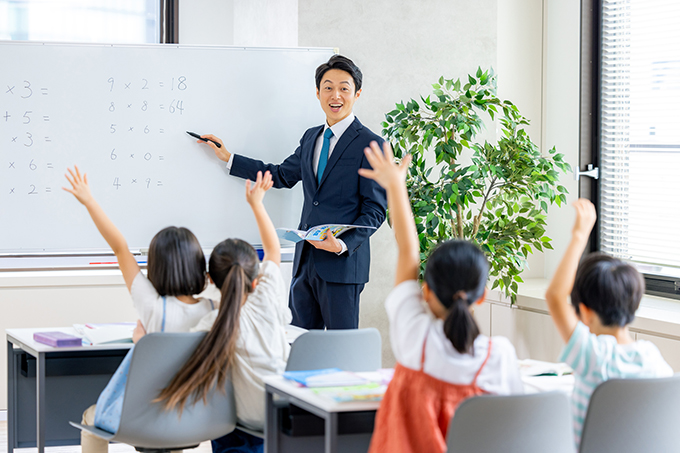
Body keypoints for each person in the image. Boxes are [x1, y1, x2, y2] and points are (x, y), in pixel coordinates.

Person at [196, 54, 387, 330]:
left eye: (344, 88)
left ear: (357, 93)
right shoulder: (311, 137)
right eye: (328, 87)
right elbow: (281, 175)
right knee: (297, 344)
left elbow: (375, 210)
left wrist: (342, 244)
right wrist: (228, 158)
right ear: (318, 93)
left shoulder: (371, 144)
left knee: (337, 351)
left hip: (341, 266)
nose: (336, 95)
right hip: (304, 263)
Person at [359, 141, 523, 453]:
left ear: (426, 291)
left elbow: (408, 250)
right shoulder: (499, 357)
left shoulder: (416, 339)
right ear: (482, 296)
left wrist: (396, 186)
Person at [62, 166, 215, 453]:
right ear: (199, 265)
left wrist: (90, 201)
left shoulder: (153, 306)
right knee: (169, 428)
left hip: (145, 417)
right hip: (194, 417)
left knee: (91, 418)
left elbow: (120, 248)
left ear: (155, 267)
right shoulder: (215, 310)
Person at [155, 170, 290, 453]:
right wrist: (257, 204)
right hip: (290, 416)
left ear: (211, 280)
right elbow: (273, 251)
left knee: (220, 399)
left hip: (248, 425)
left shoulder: (210, 323)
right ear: (256, 280)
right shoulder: (267, 297)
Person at [545, 198, 673, 447]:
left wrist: (579, 236)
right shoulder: (652, 358)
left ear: (585, 312)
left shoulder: (593, 356)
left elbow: (555, 296)